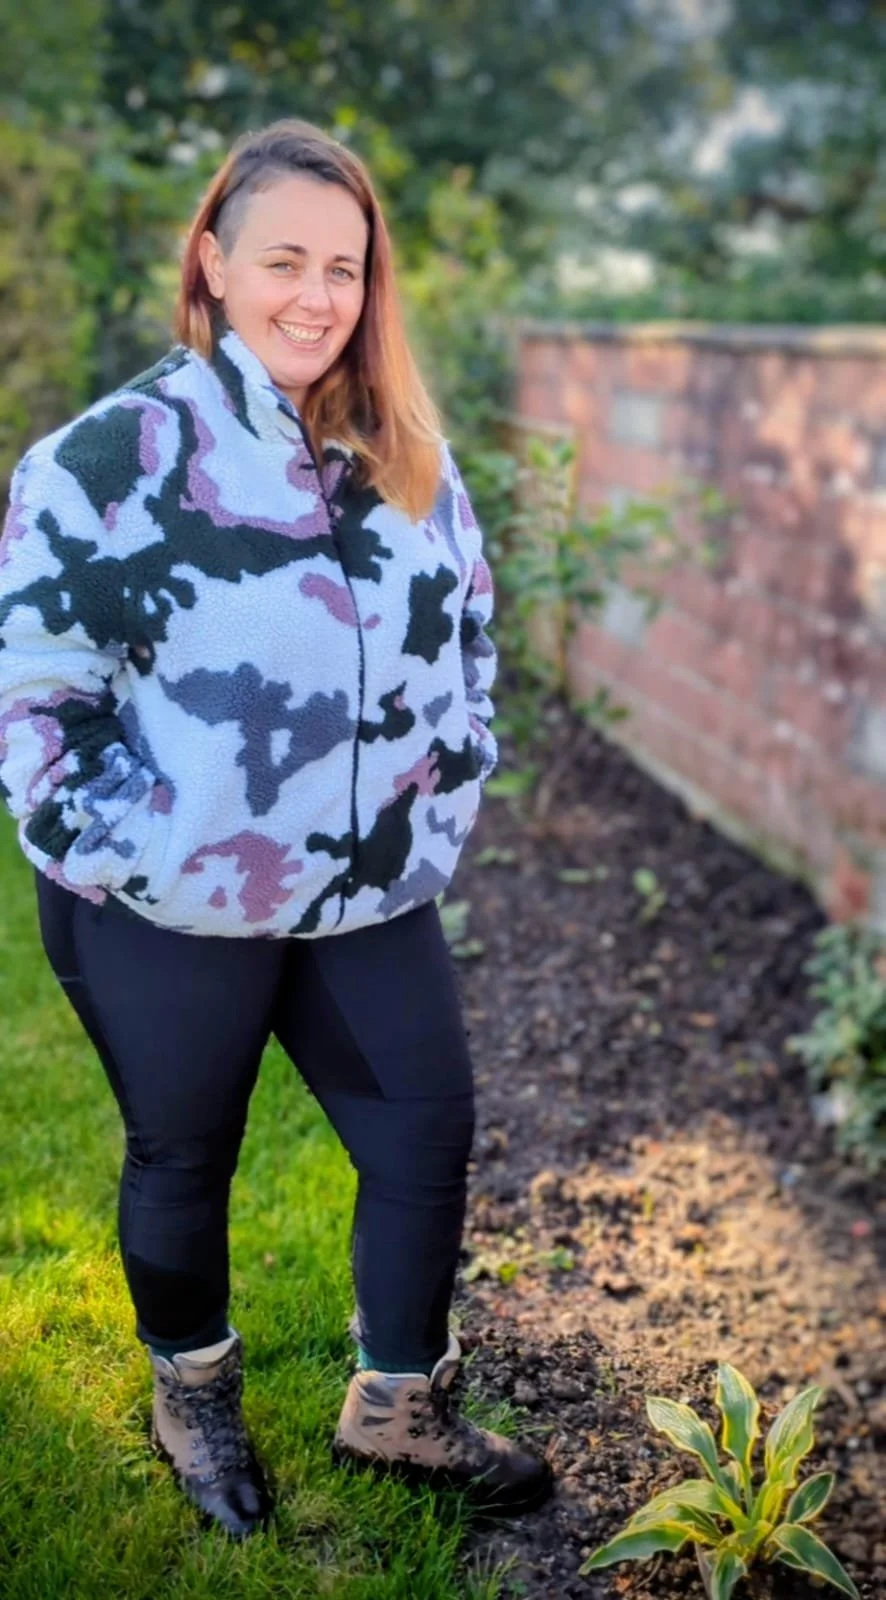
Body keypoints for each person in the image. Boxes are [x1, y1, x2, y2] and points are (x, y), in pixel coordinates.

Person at [0, 119, 553, 1538]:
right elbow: (38, 697)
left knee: (427, 1135)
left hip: (369, 896)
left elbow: (472, 635)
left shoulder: (403, 454)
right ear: (212, 262)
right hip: (169, 906)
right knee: (184, 1158)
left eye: (346, 269)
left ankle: (395, 1408)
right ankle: (192, 1395)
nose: (317, 298)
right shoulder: (102, 462)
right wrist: (142, 846)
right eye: (284, 262)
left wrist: (450, 782)